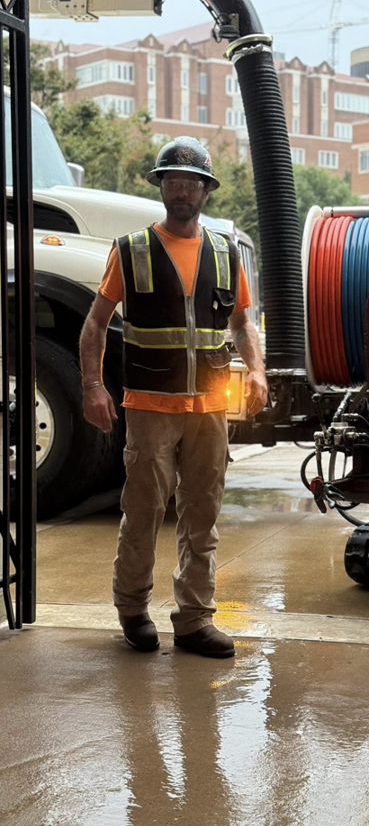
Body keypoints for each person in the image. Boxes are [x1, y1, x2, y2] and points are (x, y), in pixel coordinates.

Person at [79, 137, 268, 659]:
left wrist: (257, 370)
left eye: (192, 182)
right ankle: (133, 609)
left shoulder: (226, 252)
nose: (182, 190)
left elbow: (241, 323)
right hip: (148, 409)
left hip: (207, 411)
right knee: (142, 514)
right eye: (173, 180)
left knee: (202, 516)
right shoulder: (132, 249)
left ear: (206, 190)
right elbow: (95, 324)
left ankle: (193, 619)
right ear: (161, 186)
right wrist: (92, 386)